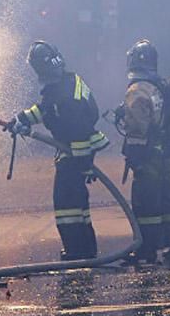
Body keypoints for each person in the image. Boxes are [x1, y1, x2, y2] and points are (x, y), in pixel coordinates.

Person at [7, 41, 109, 260]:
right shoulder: (65, 82)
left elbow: (78, 133)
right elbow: (45, 109)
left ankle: (76, 252)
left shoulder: (67, 97)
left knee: (66, 207)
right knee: (79, 207)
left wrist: (83, 164)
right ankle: (86, 250)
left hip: (74, 156)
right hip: (75, 153)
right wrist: (21, 119)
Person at [120, 39, 170, 265]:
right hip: (167, 154)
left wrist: (134, 156)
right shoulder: (161, 85)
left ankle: (146, 250)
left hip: (149, 156)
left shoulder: (137, 89)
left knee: (146, 203)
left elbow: (137, 126)